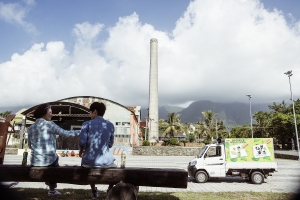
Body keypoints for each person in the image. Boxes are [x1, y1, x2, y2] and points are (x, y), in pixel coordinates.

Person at [27, 103, 80, 196]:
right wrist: (81, 131)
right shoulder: (49, 124)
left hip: (35, 161)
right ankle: (52, 190)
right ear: (44, 113)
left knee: (51, 159)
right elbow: (66, 134)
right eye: (50, 112)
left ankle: (49, 182)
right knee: (54, 158)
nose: (52, 114)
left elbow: (30, 145)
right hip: (49, 162)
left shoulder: (31, 128)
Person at [79, 102, 116, 199]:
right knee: (114, 169)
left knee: (88, 166)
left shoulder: (86, 124)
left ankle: (93, 190)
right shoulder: (110, 125)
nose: (90, 115)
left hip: (89, 162)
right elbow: (110, 144)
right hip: (106, 162)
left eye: (90, 112)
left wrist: (81, 151)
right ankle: (109, 189)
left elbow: (82, 143)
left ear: (95, 111)